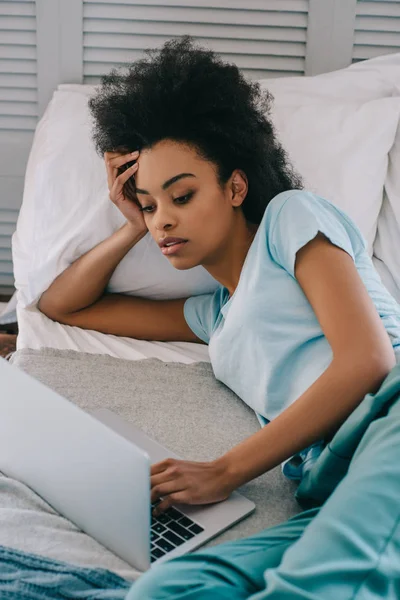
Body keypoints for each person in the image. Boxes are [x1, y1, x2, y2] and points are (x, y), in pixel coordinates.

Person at [38, 36, 400, 598]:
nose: (163, 222)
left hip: (390, 420)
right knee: (172, 587)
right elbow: (64, 306)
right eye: (150, 203)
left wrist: (225, 470)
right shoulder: (215, 318)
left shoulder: (290, 217)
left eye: (181, 196)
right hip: (334, 482)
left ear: (235, 187)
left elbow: (368, 360)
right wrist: (130, 225)